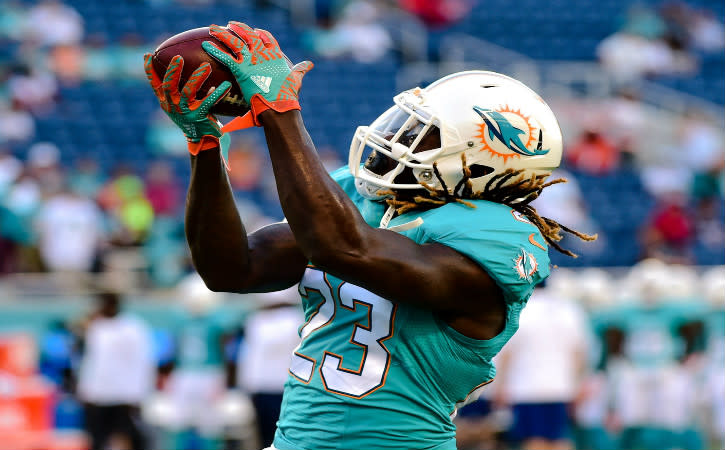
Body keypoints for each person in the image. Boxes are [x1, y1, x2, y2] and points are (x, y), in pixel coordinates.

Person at [143, 21, 595, 450]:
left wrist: (281, 112)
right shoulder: (364, 201)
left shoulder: (496, 238)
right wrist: (205, 144)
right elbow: (233, 268)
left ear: (479, 163)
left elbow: (345, 249)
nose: (398, 137)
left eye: (422, 133)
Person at [76, 291, 155, 450]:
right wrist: (86, 389)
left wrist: (139, 392)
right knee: (97, 437)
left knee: (124, 435)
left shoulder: (133, 327)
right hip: (99, 393)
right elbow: (91, 361)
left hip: (124, 394)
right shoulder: (96, 327)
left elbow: (143, 361)